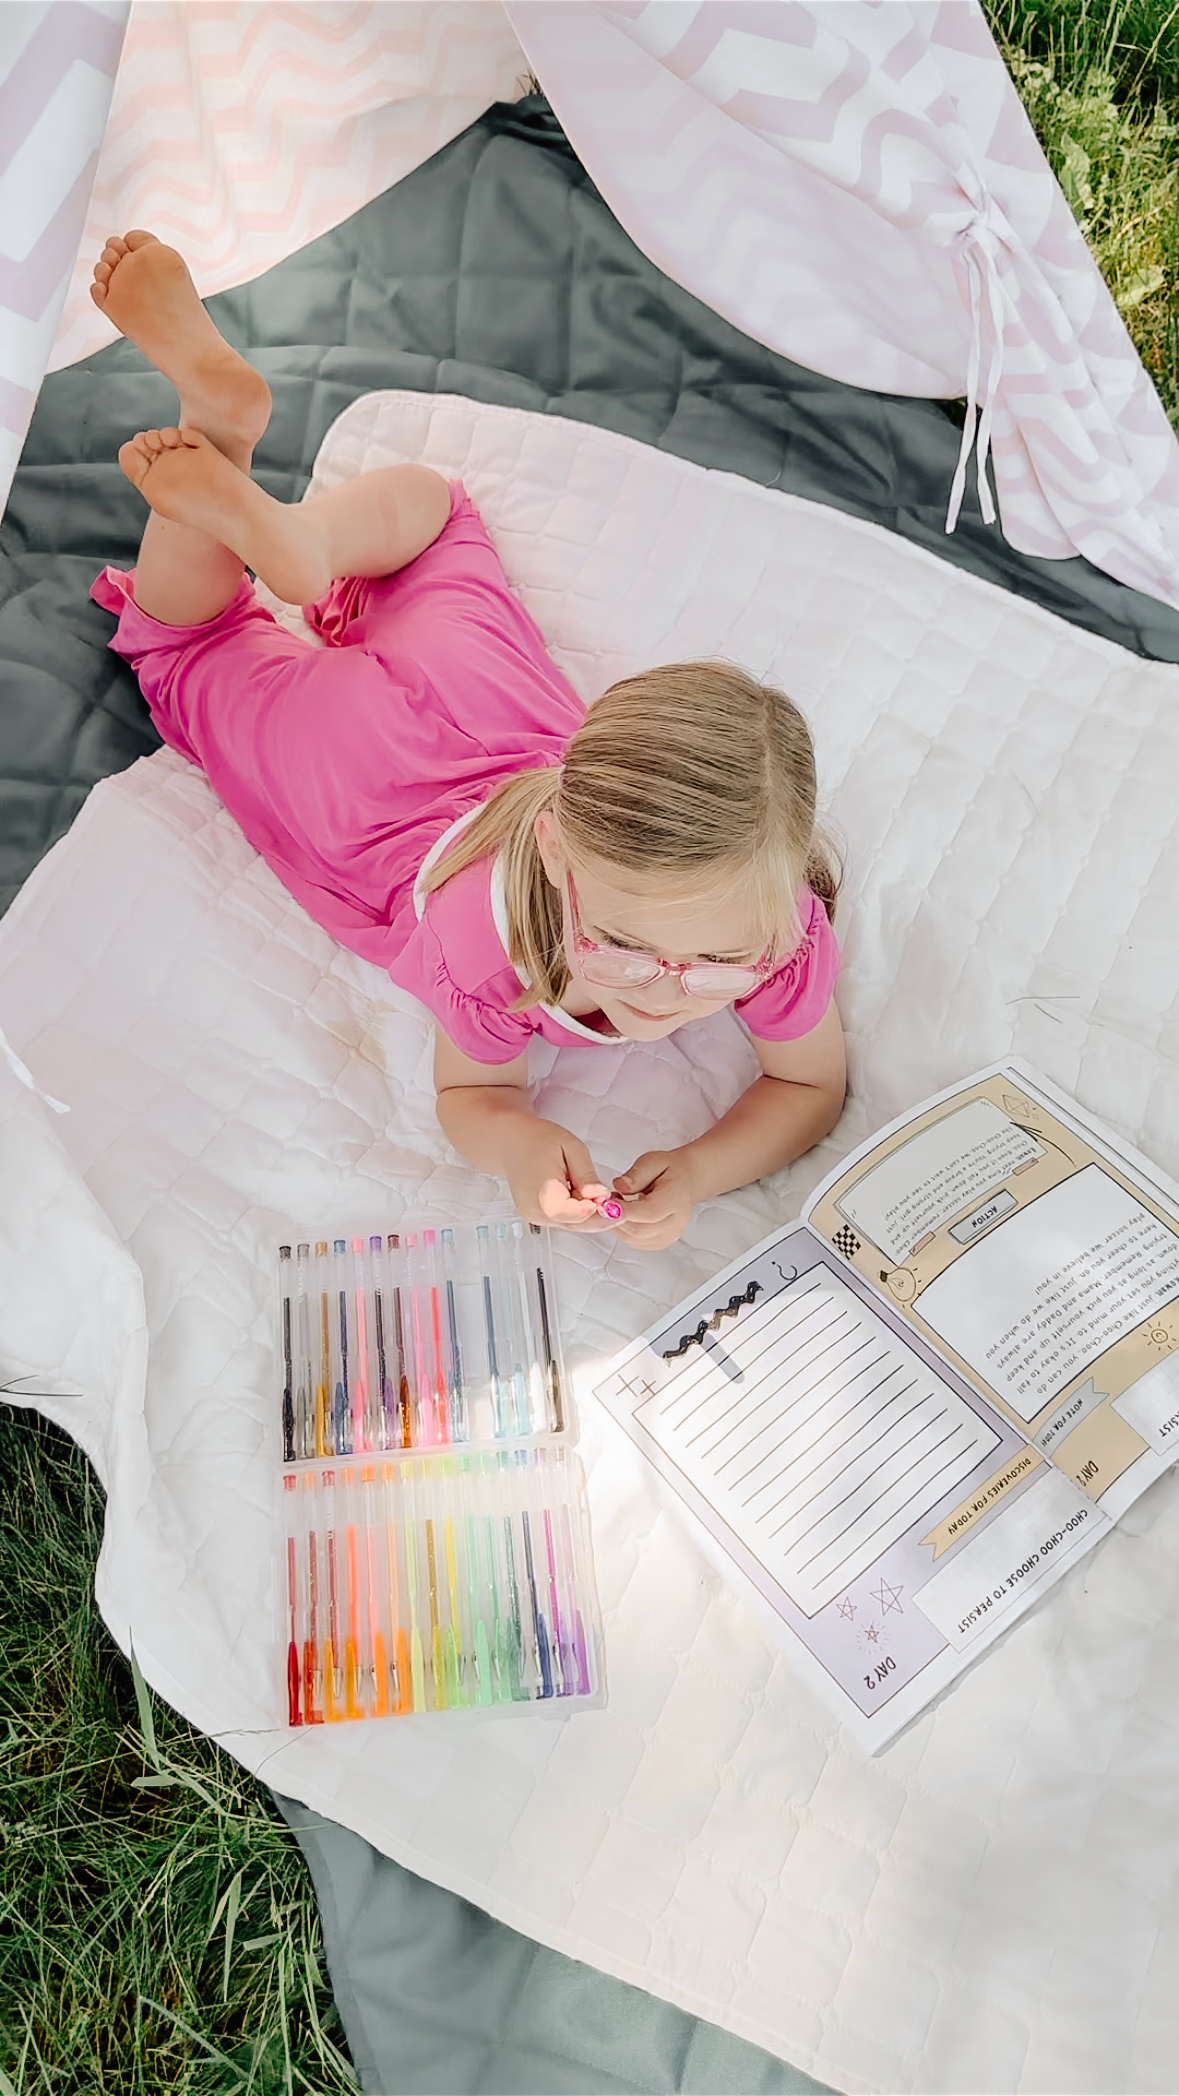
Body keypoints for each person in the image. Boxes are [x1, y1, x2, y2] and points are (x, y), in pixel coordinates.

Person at [89, 231, 847, 1251]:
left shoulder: (778, 928)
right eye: (622, 944)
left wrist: (697, 1166)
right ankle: (220, 444)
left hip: (488, 707)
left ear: (788, 891)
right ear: (554, 855)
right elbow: (471, 1091)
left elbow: (810, 1083)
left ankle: (311, 538)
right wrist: (511, 1133)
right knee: (185, 647)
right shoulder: (490, 948)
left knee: (436, 519)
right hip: (362, 793)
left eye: (716, 962)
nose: (665, 988)